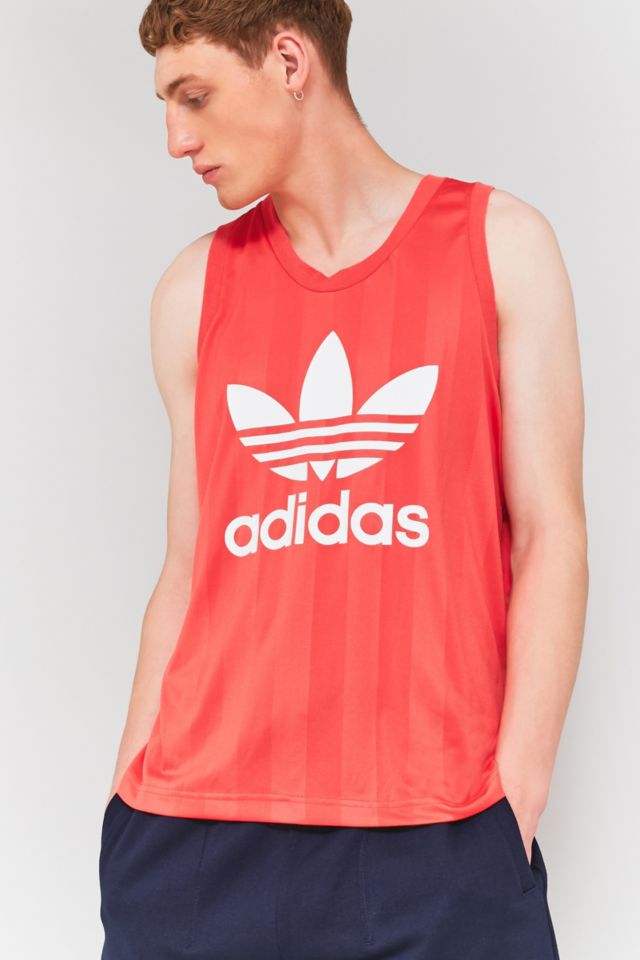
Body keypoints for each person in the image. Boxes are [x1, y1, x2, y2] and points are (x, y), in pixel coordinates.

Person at [99, 1, 588, 957]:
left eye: (193, 97)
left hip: (439, 836)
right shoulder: (192, 292)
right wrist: (128, 798)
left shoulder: (500, 245)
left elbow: (550, 537)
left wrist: (512, 805)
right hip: (196, 837)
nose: (175, 140)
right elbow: (189, 567)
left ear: (289, 60)